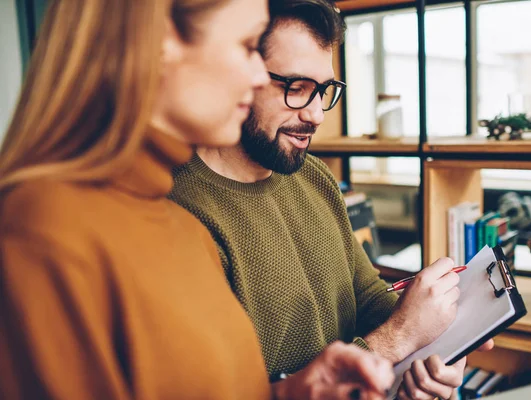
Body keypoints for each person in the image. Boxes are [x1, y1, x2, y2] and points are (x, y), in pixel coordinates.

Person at [0, 0, 396, 399]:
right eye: (245, 45)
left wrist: (293, 393)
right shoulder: (44, 233)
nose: (258, 75)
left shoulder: (177, 225)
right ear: (161, 42)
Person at [169, 0, 493, 399]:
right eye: (297, 89)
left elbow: (365, 296)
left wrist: (439, 341)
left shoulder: (314, 176)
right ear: (242, 74)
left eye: (324, 90)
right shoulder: (178, 210)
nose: (317, 114)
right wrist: (398, 339)